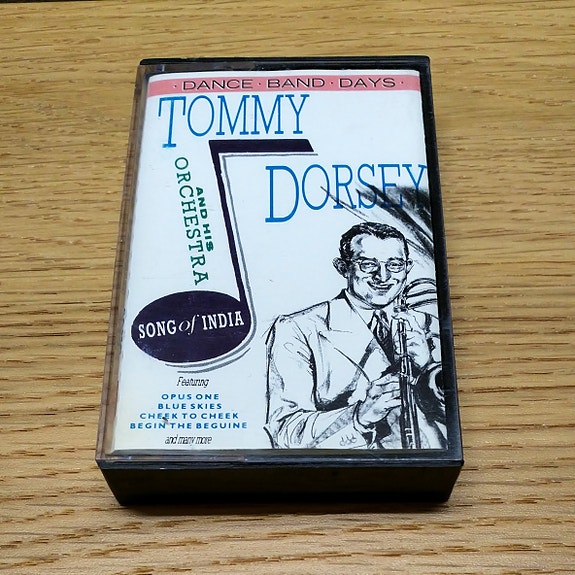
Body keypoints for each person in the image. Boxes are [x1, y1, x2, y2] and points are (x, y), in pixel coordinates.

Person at [265, 221, 446, 449]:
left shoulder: (428, 323)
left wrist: (429, 367)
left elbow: (452, 419)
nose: (383, 276)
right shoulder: (297, 328)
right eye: (368, 264)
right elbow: (285, 433)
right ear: (343, 267)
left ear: (407, 267)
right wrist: (360, 417)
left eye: (395, 265)